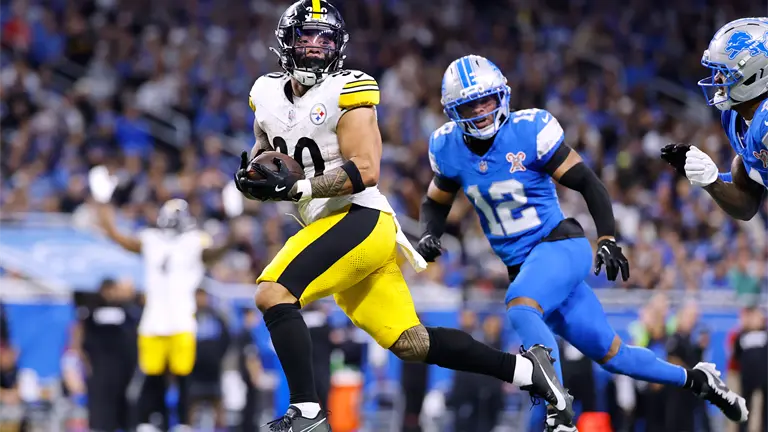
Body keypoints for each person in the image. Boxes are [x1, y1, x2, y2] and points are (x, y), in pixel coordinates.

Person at [232, 1, 573, 430]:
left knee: (273, 292)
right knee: (410, 342)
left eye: (325, 38)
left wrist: (300, 188)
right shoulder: (265, 93)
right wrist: (253, 177)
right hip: (330, 229)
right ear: (286, 42)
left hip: (359, 219)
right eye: (306, 37)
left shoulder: (348, 91)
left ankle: (307, 411)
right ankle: (528, 371)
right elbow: (266, 153)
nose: (316, 46)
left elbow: (366, 170)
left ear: (339, 46)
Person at [418, 54, 748, 431]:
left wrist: (607, 237)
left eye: (487, 99)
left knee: (520, 307)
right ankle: (699, 380)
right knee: (615, 356)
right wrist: (429, 232)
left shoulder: (528, 131)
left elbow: (588, 182)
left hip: (559, 246)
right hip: (530, 271)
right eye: (471, 105)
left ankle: (559, 414)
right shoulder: (447, 147)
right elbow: (436, 200)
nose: (481, 110)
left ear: (502, 95)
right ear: (453, 111)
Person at [96, 198, 237, 431]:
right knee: (153, 376)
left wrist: (233, 227)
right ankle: (151, 421)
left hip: (180, 320)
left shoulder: (194, 242)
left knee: (182, 377)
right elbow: (119, 238)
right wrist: (105, 209)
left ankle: (181, 423)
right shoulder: (151, 240)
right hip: (155, 320)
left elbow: (218, 252)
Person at [660, 18, 768, 222]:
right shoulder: (734, 116)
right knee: (739, 167)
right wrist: (710, 179)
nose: (717, 78)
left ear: (757, 73)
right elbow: (747, 202)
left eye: (725, 72)